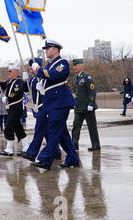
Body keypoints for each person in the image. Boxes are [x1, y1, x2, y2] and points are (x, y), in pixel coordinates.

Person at [30, 40, 80, 170]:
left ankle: (45, 159)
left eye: (48, 48)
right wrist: (37, 76)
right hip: (52, 103)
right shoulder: (50, 65)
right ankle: (73, 159)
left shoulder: (62, 63)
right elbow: (45, 76)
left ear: (56, 49)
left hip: (60, 102)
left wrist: (38, 69)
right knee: (62, 134)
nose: (46, 50)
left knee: (53, 131)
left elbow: (54, 75)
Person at [21, 58, 61, 162]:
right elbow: (26, 90)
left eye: (33, 68)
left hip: (45, 107)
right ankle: (56, 152)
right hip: (37, 107)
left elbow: (50, 90)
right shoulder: (33, 79)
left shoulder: (43, 78)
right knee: (47, 131)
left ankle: (32, 153)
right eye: (30, 69)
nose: (31, 71)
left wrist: (43, 91)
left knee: (39, 130)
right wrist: (24, 81)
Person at [0, 64, 30, 156]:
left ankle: (9, 149)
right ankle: (26, 148)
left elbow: (17, 92)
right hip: (11, 107)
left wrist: (7, 98)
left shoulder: (19, 81)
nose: (8, 72)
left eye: (10, 71)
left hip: (16, 106)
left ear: (16, 71)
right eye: (8, 71)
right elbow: (1, 86)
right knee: (18, 128)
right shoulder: (10, 81)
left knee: (9, 126)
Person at [71, 59, 101, 151]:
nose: (74, 67)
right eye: (73, 66)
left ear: (81, 66)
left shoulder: (87, 77)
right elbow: (76, 93)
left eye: (75, 65)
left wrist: (91, 103)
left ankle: (96, 145)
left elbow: (92, 91)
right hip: (79, 107)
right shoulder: (75, 78)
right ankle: (74, 145)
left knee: (92, 127)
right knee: (76, 127)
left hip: (88, 107)